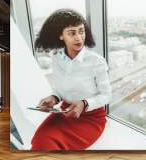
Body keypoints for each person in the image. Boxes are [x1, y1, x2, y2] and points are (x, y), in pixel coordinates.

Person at [31, 8, 111, 150]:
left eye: (81, 31)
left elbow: (106, 96)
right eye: (72, 33)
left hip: (90, 118)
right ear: (61, 36)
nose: (79, 38)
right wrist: (54, 98)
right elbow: (60, 89)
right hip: (65, 113)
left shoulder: (97, 61)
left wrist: (84, 104)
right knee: (40, 141)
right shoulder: (56, 58)